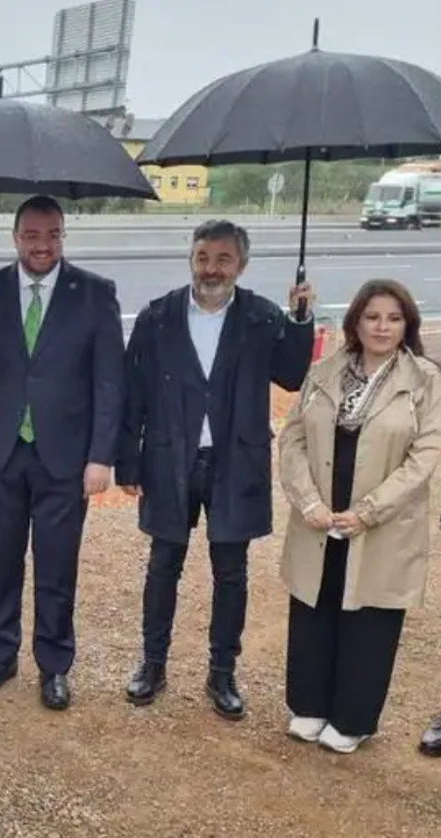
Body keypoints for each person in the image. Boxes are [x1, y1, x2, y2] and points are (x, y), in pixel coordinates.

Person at [114, 219, 315, 720]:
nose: (211, 268)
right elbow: (132, 393)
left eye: (223, 259)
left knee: (232, 573)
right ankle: (153, 664)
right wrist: (128, 458)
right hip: (168, 458)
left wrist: (301, 318)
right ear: (191, 258)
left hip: (235, 461)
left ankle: (222, 673)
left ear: (240, 265)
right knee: (163, 565)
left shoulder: (263, 318)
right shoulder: (158, 318)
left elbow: (292, 376)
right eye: (203, 257)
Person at [0, 194, 125, 710]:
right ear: (15, 237)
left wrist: (101, 456)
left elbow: (110, 382)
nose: (42, 245)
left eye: (52, 235)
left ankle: (54, 665)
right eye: (32, 235)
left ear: (63, 236)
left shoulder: (94, 293)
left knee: (56, 566)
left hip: (65, 457)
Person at [278, 279, 441, 754]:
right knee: (316, 603)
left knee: (368, 616)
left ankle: (353, 718)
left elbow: (425, 457)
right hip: (320, 516)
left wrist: (368, 512)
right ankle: (309, 704)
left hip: (381, 523)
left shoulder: (425, 381)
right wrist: (308, 501)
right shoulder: (325, 371)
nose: (382, 326)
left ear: (407, 324)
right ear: (356, 321)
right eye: (372, 317)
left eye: (393, 318)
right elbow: (292, 439)